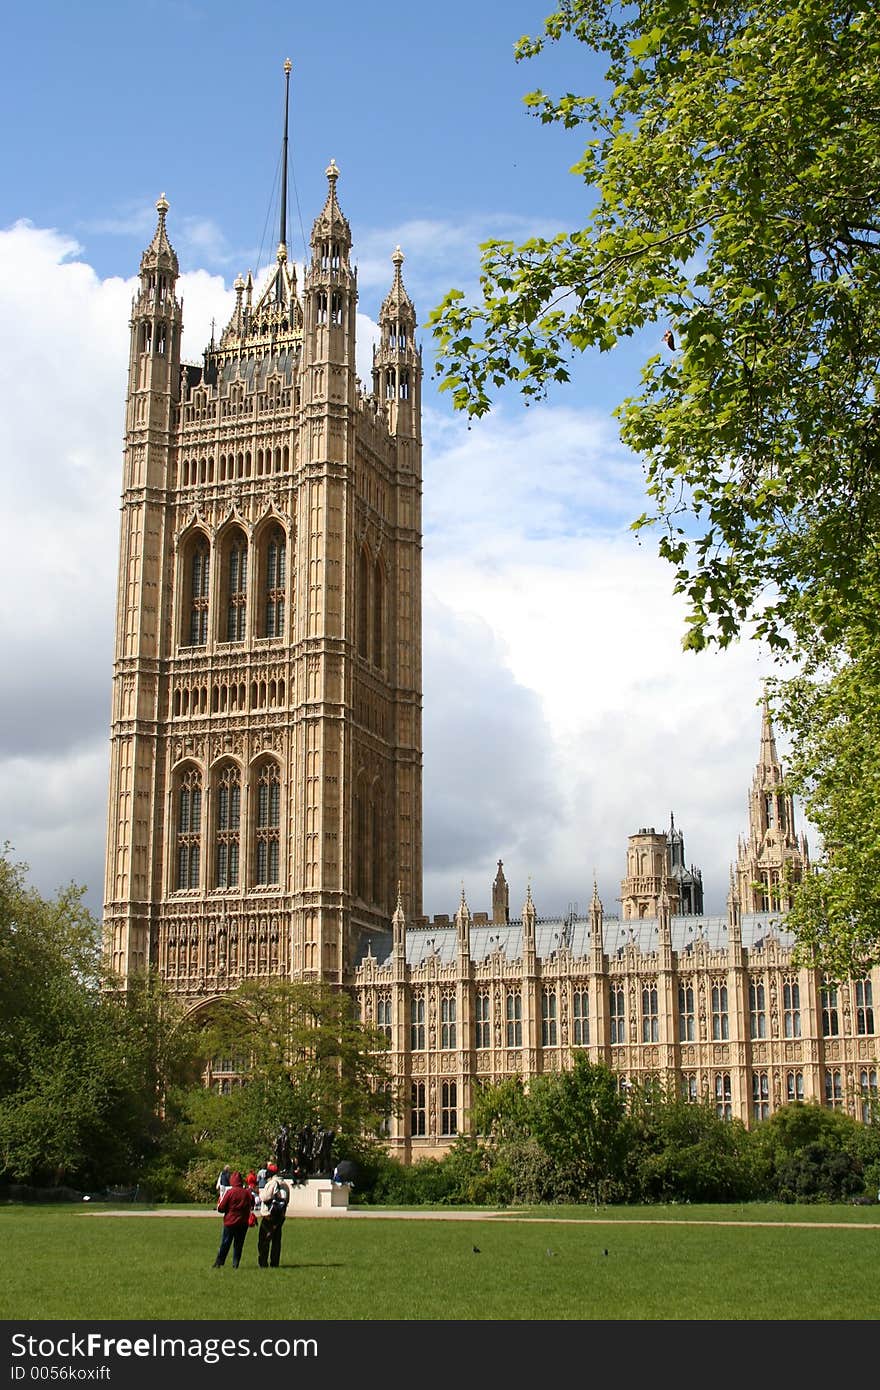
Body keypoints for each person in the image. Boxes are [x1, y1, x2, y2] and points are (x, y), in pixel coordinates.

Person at [213, 1171, 254, 1269]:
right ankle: (235, 1264)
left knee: (225, 1243)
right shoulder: (246, 1193)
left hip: (230, 1222)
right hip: (243, 1222)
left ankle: (219, 1262)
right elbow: (252, 1203)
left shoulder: (230, 1192)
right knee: (238, 1245)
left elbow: (221, 1208)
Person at [257, 1163, 291, 1268]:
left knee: (264, 1240)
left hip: (269, 1215)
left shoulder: (272, 1183)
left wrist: (260, 1193)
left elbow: (265, 1197)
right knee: (276, 1241)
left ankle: (263, 1262)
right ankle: (274, 1262)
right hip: (280, 1216)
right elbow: (287, 1200)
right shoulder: (285, 1185)